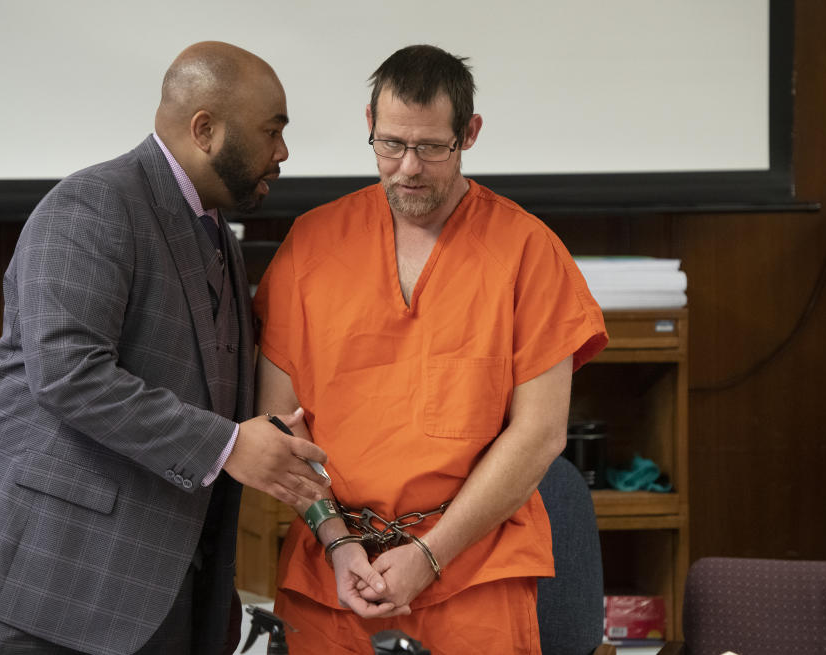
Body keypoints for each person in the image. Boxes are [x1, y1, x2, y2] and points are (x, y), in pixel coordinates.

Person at [0, 41, 330, 655]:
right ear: (205, 130)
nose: (283, 153)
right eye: (272, 131)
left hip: (149, 600)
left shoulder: (220, 236)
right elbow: (69, 373)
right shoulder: (93, 203)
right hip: (32, 589)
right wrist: (232, 443)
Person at [253, 44, 608, 653]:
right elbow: (278, 428)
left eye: (431, 148)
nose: (408, 167)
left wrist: (429, 555)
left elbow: (541, 435)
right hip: (333, 575)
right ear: (369, 124)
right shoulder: (310, 246)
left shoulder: (528, 251)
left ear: (468, 134)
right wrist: (338, 543)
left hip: (475, 576)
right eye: (391, 144)